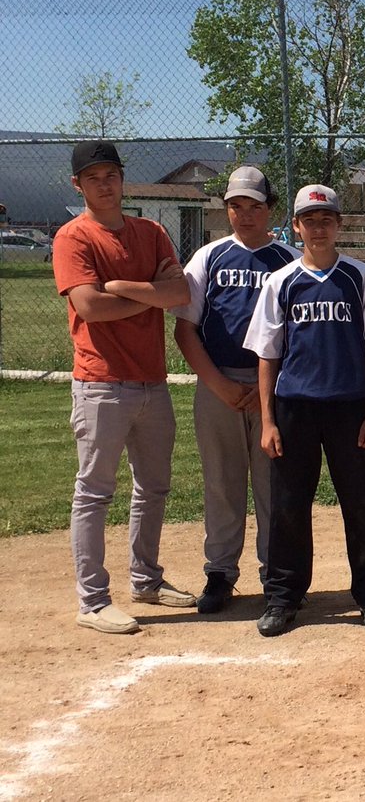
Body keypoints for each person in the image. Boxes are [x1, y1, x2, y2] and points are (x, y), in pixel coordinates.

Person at [53, 140, 196, 634]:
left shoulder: (151, 232)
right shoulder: (73, 238)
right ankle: (92, 601)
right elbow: (90, 307)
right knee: (94, 492)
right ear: (79, 185)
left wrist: (122, 288)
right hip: (100, 383)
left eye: (111, 174)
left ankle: (146, 580)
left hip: (152, 382)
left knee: (152, 488)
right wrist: (150, 296)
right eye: (93, 177)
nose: (105, 183)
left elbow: (180, 293)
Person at [243, 184, 365, 637]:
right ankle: (283, 597)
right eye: (309, 219)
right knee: (288, 506)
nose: (319, 227)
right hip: (295, 408)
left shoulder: (360, 277)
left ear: (339, 224)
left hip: (349, 407)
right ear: (295, 226)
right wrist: (268, 420)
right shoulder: (281, 280)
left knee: (360, 505)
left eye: (327, 218)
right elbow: (267, 356)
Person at [173, 166, 301, 614]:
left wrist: (269, 390)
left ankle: (275, 574)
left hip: (274, 387)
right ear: (226, 210)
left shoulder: (289, 259)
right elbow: (185, 330)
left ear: (271, 210)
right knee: (222, 483)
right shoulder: (208, 258)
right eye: (236, 206)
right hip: (218, 382)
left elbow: (298, 335)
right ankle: (220, 572)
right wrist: (220, 385)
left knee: (274, 485)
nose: (245, 215)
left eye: (254, 206)